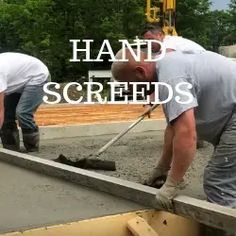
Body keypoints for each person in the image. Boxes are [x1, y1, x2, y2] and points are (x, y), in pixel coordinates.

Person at [111, 49, 236, 212]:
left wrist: (171, 184)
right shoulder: (167, 67)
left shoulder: (171, 78)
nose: (130, 89)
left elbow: (186, 134)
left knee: (218, 180)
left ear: (140, 72)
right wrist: (162, 168)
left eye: (129, 84)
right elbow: (174, 128)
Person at [0, 52, 50, 152]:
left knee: (23, 112)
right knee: (7, 116)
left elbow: (0, 109)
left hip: (37, 76)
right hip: (18, 79)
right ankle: (10, 151)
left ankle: (33, 149)